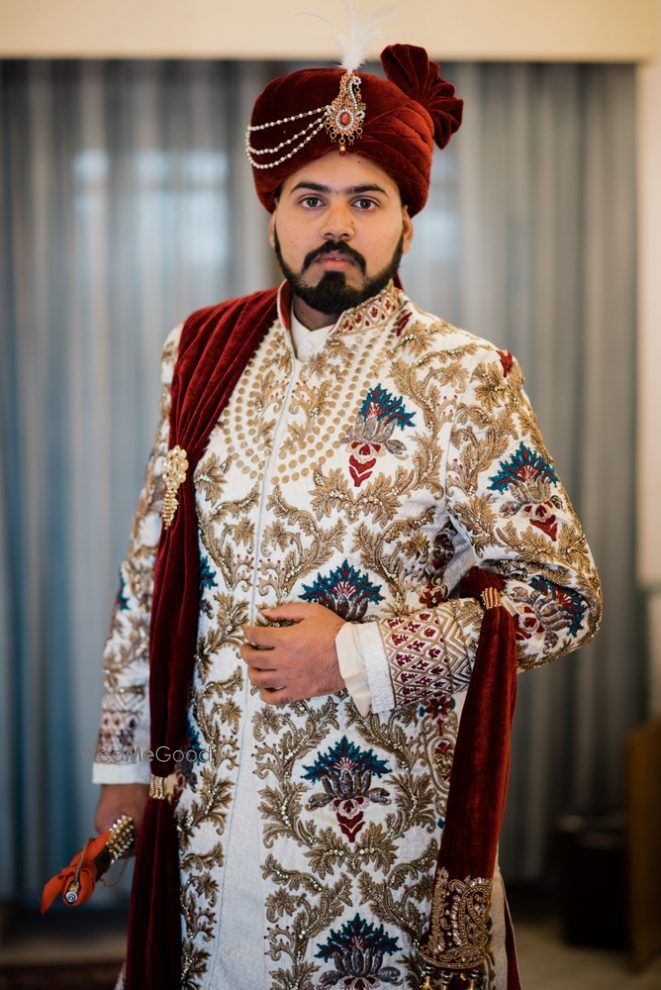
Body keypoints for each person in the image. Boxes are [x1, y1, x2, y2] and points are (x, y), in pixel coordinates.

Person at [92, 44, 602, 990]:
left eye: (366, 200)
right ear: (271, 214)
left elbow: (563, 599)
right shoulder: (199, 351)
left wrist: (359, 655)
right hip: (205, 804)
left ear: (407, 222)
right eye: (309, 198)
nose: (337, 224)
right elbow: (149, 566)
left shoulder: (464, 376)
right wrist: (123, 763)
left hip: (382, 820)